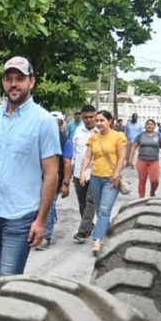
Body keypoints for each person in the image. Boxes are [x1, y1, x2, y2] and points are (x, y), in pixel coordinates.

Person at [0, 56, 59, 276]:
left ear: (31, 82)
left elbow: (51, 173)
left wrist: (41, 220)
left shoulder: (44, 121)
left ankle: (8, 308)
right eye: (9, 78)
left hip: (21, 215)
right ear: (3, 83)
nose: (13, 84)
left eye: (19, 78)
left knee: (8, 278)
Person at [78, 110, 127, 255]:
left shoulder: (119, 137)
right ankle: (108, 232)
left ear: (110, 121)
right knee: (100, 211)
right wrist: (82, 173)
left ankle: (97, 240)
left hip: (111, 179)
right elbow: (88, 157)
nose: (98, 123)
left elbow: (121, 158)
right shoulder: (93, 138)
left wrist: (116, 174)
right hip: (95, 178)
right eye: (97, 120)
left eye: (102, 120)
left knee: (104, 210)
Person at [37, 111, 73, 250]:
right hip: (36, 177)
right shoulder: (39, 137)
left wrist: (66, 184)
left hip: (54, 179)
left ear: (61, 124)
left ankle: (46, 236)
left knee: (49, 207)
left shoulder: (65, 141)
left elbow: (67, 163)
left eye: (56, 123)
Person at [71, 104, 97, 241]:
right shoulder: (78, 131)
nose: (89, 120)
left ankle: (82, 231)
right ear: (81, 117)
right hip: (78, 173)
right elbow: (75, 151)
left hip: (95, 173)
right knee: (82, 203)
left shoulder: (100, 131)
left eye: (91, 117)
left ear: (95, 115)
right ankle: (88, 226)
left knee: (91, 201)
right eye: (85, 117)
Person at [130, 119, 161, 198]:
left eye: (152, 124)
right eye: (148, 124)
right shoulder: (141, 135)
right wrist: (131, 159)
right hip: (141, 161)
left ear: (155, 126)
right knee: (142, 180)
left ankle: (152, 191)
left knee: (155, 181)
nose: (149, 126)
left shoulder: (159, 135)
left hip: (154, 161)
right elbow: (134, 146)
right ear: (145, 126)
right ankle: (141, 198)